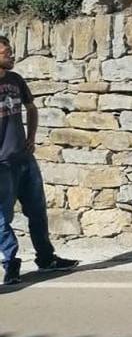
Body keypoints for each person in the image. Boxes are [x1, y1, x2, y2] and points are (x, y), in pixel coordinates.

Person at [0, 36, 78, 285]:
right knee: (2, 217)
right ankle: (10, 261)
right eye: (6, 52)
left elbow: (31, 108)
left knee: (37, 211)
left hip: (24, 159)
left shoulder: (15, 80)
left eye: (11, 51)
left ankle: (46, 258)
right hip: (2, 164)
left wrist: (31, 136)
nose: (12, 55)